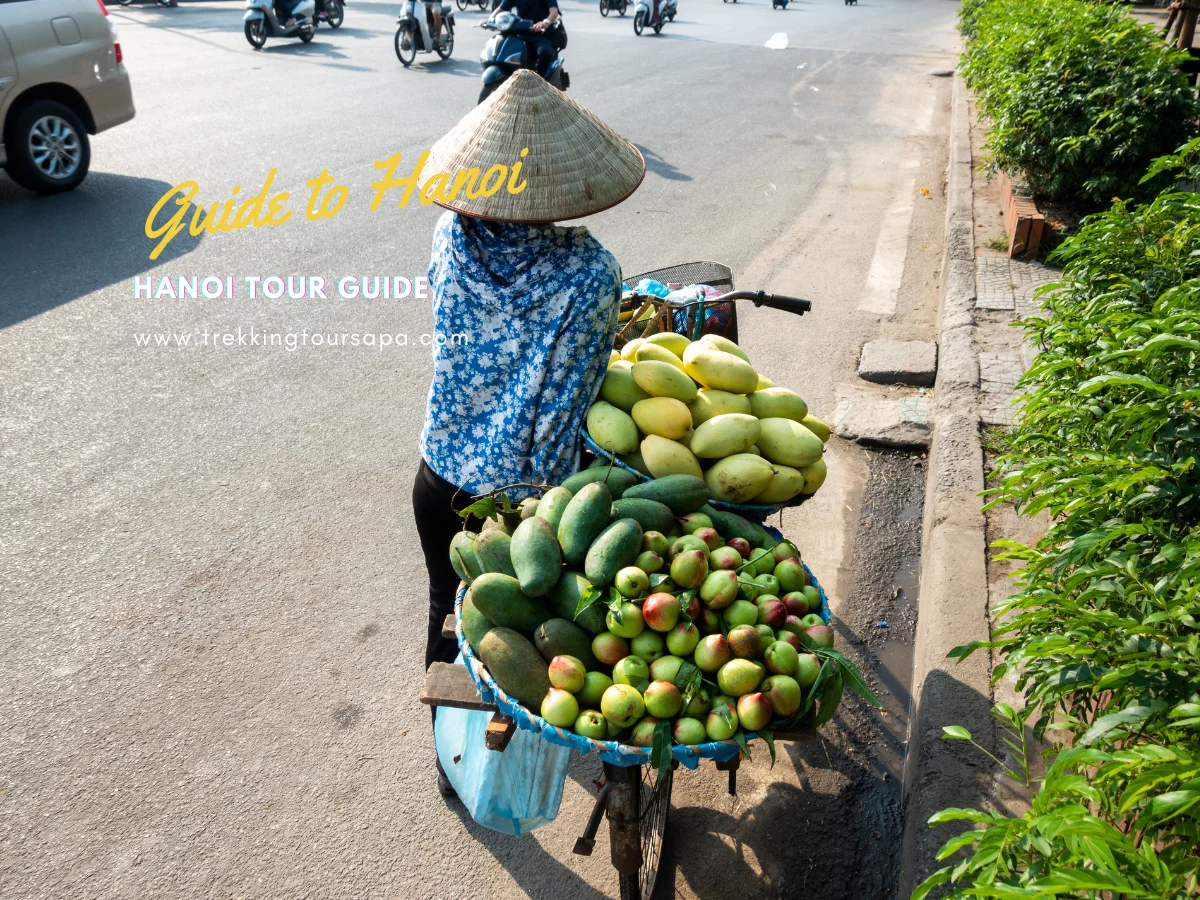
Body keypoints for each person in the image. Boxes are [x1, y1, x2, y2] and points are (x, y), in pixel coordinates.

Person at [411, 71, 645, 798]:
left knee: (448, 612)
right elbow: (581, 386)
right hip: (524, 511)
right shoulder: (590, 273)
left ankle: (451, 760)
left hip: (439, 476)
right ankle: (522, 760)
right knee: (526, 645)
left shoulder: (450, 234)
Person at [489, 0, 559, 77]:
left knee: (545, 53)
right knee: (500, 49)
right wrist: (490, 20)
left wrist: (545, 22)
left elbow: (554, 12)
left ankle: (537, 81)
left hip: (540, 34)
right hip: (519, 33)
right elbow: (501, 8)